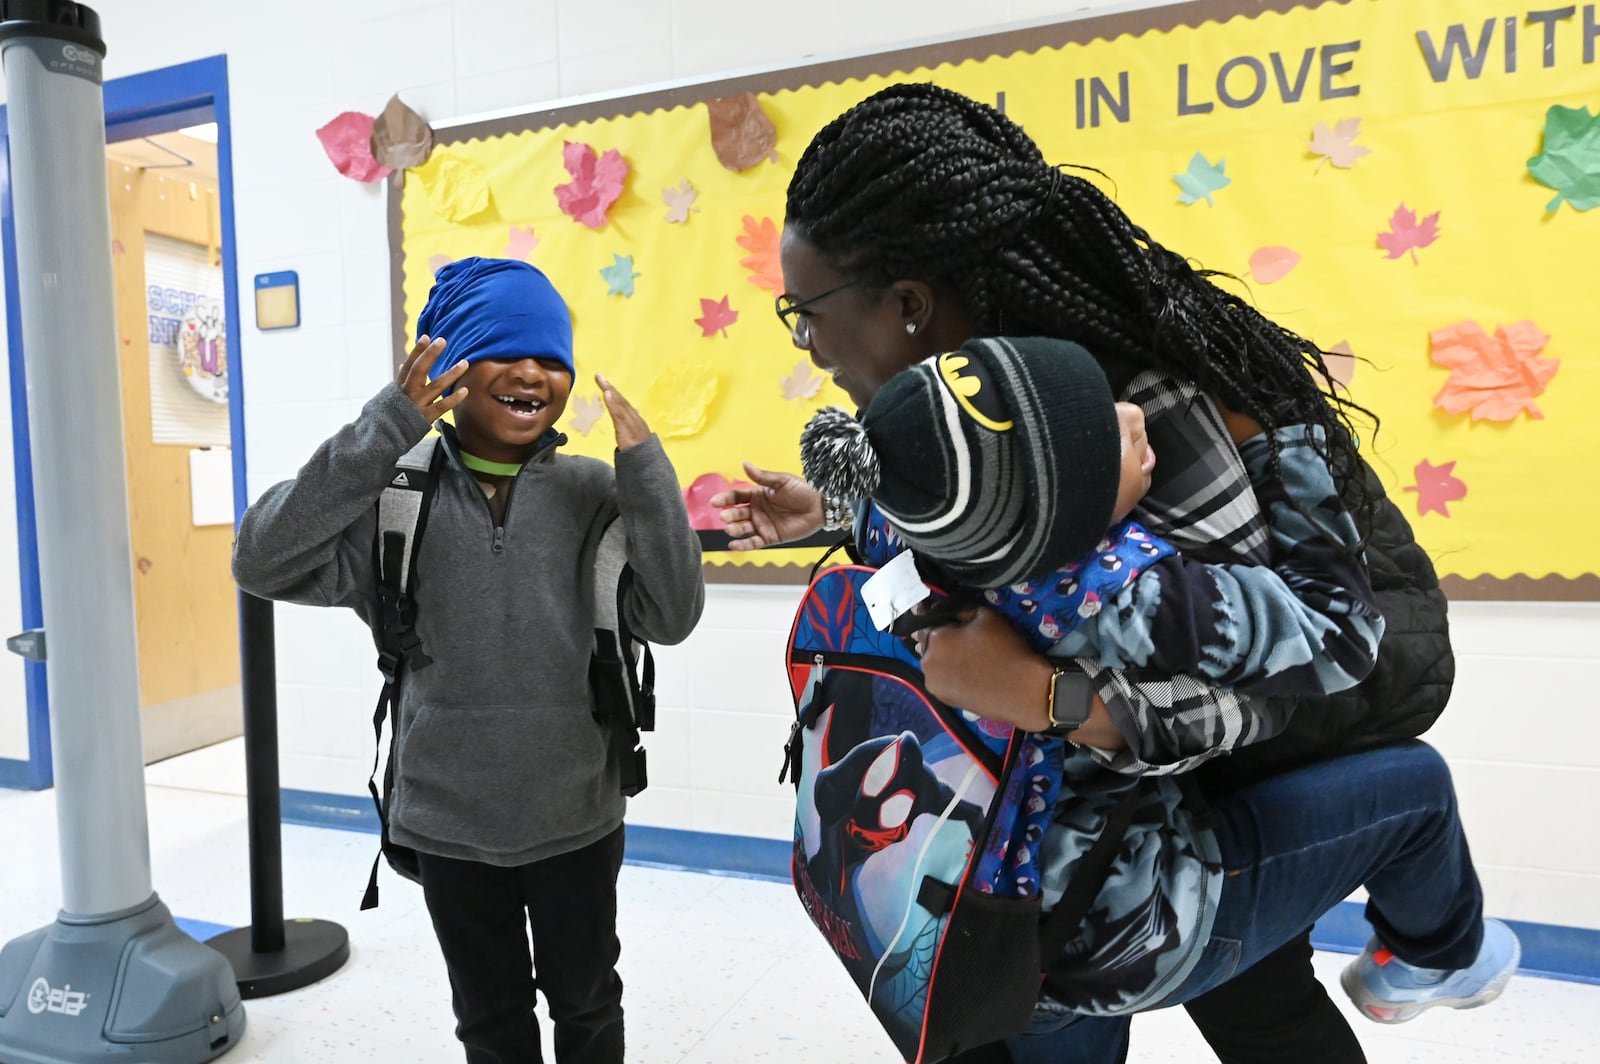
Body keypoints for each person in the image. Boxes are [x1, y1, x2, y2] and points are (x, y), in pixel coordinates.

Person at [711, 84, 1506, 1063]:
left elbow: (1270, 684)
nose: (808, 342)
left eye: (806, 312)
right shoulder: (981, 425)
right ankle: (1441, 949)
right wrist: (841, 512)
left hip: (1058, 878)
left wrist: (1051, 692)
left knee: (1260, 1000)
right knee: (1262, 994)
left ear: (908, 303)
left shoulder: (1125, 411)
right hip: (1043, 885)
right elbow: (968, 521)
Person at [231, 257, 705, 1064]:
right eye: (503, 349)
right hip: (449, 821)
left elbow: (672, 614)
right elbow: (261, 559)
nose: (532, 373)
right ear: (447, 365)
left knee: (588, 1004)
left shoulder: (593, 491)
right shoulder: (394, 498)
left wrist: (647, 470)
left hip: (577, 817)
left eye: (551, 357)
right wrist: (385, 429)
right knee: (490, 1022)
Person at [796, 335, 1384, 701]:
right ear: (1060, 530)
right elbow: (1341, 641)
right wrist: (1286, 436)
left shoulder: (915, 526)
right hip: (1131, 892)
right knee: (1420, 789)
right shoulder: (1121, 597)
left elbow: (887, 501)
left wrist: (829, 506)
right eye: (1101, 444)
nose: (1133, 415)